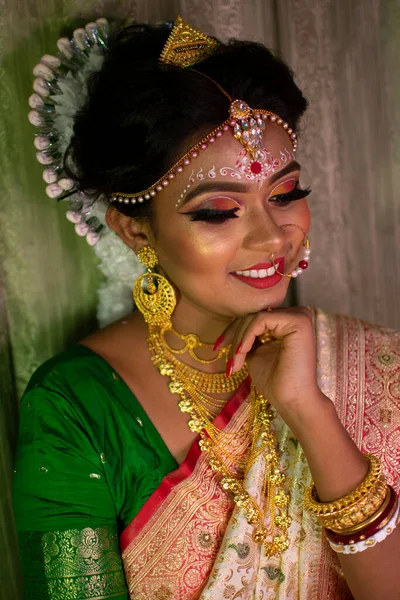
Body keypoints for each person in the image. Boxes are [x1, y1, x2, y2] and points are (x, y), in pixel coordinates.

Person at [13, 16, 400, 600]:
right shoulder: (76, 409)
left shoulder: (373, 366)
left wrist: (313, 416)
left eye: (286, 193)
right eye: (219, 211)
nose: (273, 238)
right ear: (135, 232)